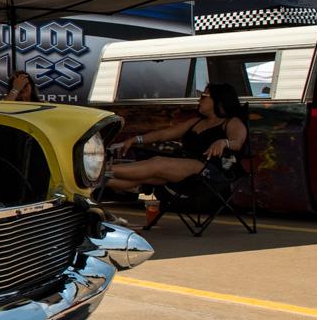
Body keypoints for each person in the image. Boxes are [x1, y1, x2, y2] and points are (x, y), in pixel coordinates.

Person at [105, 82, 248, 219]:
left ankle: (99, 170)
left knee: (158, 163)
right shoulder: (196, 122)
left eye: (204, 96)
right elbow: (164, 134)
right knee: (143, 177)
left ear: (219, 101)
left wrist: (224, 142)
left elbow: (238, 142)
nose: (199, 99)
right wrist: (136, 139)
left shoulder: (231, 122)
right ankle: (96, 179)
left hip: (211, 171)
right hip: (186, 170)